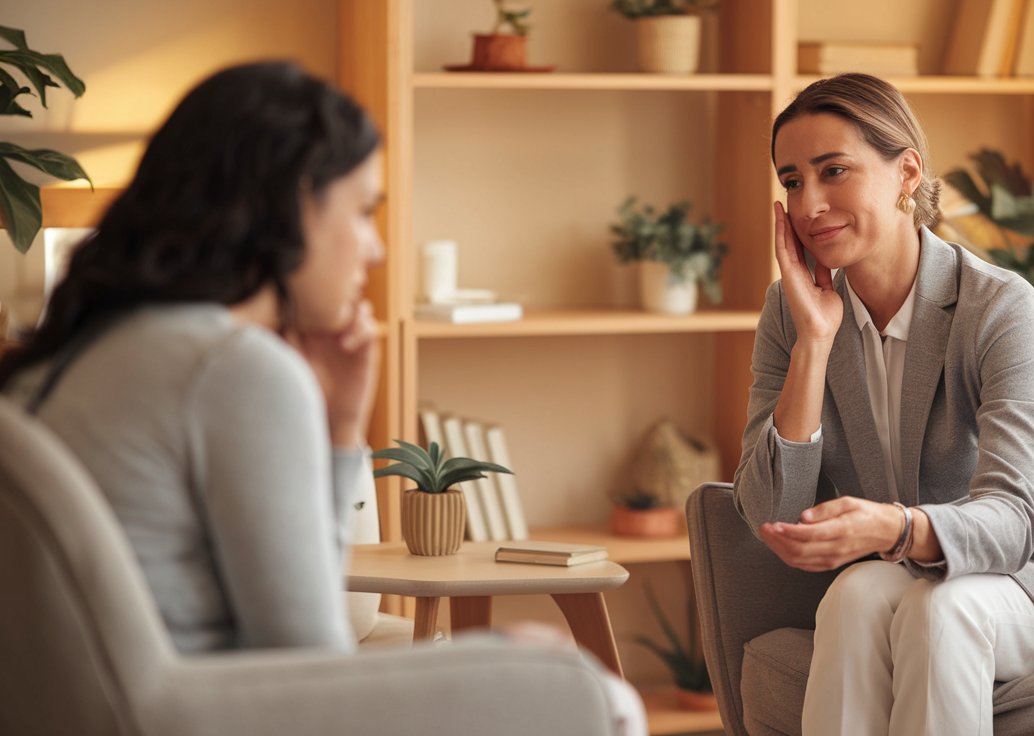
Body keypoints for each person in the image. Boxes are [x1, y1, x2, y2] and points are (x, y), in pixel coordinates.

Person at [0, 61, 642, 733]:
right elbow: (313, 665)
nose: (377, 249)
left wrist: (338, 429)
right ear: (295, 204)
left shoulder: (67, 361)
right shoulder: (230, 369)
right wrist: (509, 657)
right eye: (364, 212)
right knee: (582, 686)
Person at [733, 73, 1034, 735]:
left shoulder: (997, 307)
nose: (810, 204)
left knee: (940, 610)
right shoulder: (793, 310)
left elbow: (1013, 521)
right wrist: (814, 340)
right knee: (854, 592)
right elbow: (769, 515)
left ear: (907, 172)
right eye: (792, 181)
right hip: (916, 580)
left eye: (834, 171)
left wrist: (893, 529)